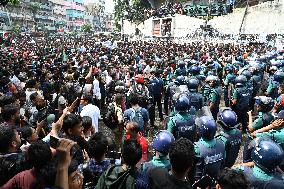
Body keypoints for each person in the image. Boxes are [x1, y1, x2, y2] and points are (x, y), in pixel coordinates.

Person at [194, 116, 225, 181]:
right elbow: (223, 162)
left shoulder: (196, 148)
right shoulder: (222, 143)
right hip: (216, 179)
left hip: (199, 183)